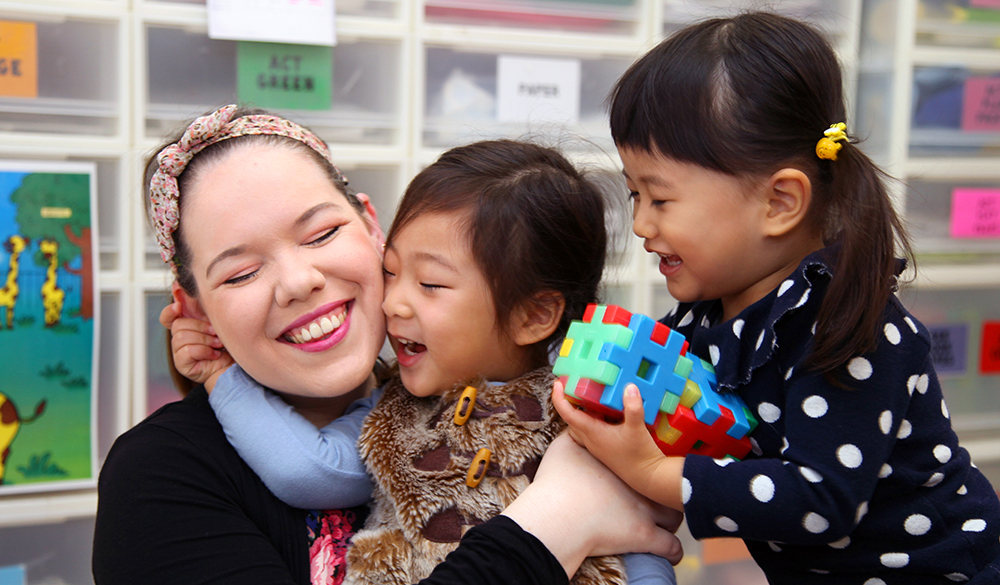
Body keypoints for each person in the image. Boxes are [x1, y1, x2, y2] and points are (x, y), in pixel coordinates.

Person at [92, 105, 683, 585]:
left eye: (322, 233)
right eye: (241, 272)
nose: (299, 282)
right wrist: (557, 523)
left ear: (373, 227)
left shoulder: (474, 397)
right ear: (195, 306)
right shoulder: (160, 475)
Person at [552, 12, 1000, 585]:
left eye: (659, 199)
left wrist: (650, 470)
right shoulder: (708, 311)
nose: (640, 224)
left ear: (780, 203)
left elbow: (819, 502)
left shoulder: (852, 330)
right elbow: (655, 382)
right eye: (634, 194)